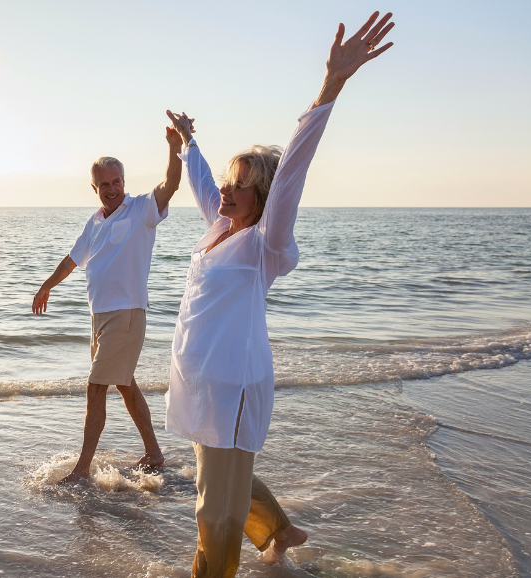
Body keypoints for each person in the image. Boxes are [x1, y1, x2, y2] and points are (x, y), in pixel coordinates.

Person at [164, 12, 395, 577]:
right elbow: (201, 184)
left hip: (232, 387)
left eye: (243, 184)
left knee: (214, 514)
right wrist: (189, 142)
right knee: (216, 479)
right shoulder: (222, 230)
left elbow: (291, 172)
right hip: (201, 384)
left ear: (263, 197)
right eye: (229, 178)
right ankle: (279, 530)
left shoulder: (263, 245)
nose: (228, 189)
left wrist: (330, 87)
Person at [32, 126, 184, 484]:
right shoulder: (95, 221)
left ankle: (82, 469)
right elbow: (71, 260)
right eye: (105, 185)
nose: (112, 189)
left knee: (95, 386)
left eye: (117, 181)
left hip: (127, 313)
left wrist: (174, 148)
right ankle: (155, 453)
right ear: (95, 188)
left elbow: (170, 185)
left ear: (123, 181)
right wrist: (46, 286)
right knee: (125, 384)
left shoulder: (141, 210)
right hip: (99, 317)